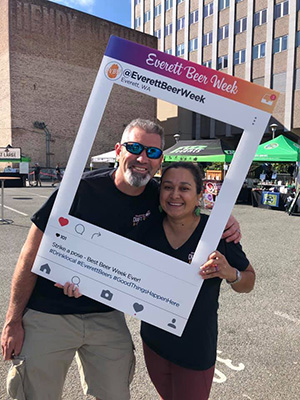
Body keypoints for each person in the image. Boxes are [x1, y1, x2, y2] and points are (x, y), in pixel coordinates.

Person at [1, 119, 241, 400]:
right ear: (118, 150)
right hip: (49, 312)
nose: (142, 158)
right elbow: (30, 254)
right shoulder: (79, 190)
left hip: (105, 313)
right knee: (36, 394)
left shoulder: (158, 196)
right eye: (134, 148)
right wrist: (12, 321)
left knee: (116, 394)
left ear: (159, 160)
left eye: (152, 152)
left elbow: (189, 206)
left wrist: (223, 219)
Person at [138, 163, 255, 400]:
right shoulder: (145, 229)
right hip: (154, 342)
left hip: (196, 346)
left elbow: (249, 281)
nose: (175, 195)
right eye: (168, 187)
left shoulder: (218, 233)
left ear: (199, 194)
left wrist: (230, 273)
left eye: (185, 188)